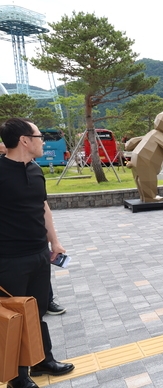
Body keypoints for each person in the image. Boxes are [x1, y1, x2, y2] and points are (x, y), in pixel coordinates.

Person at [0, 118, 74, 388]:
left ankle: (42, 359)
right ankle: (16, 376)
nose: (43, 140)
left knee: (38, 310)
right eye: (39, 136)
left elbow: (42, 207)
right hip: (9, 259)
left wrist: (55, 242)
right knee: (15, 315)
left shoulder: (34, 170)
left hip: (39, 254)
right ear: (24, 140)